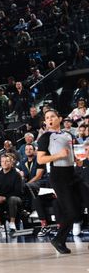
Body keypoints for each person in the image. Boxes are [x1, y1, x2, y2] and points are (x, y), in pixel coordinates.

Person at [37, 109, 82, 254]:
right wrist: (58, 155)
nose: (49, 119)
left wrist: (77, 160)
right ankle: (58, 239)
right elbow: (40, 159)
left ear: (59, 118)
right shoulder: (45, 137)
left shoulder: (68, 134)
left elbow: (71, 154)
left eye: (52, 117)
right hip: (59, 177)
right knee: (71, 212)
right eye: (47, 118)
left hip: (72, 173)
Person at [0, 154, 24, 233]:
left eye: (7, 161)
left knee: (12, 199)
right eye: (3, 161)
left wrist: (5, 198)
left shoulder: (16, 175)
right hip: (1, 198)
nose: (5, 163)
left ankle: (12, 223)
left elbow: (18, 191)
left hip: (15, 198)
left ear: (11, 162)